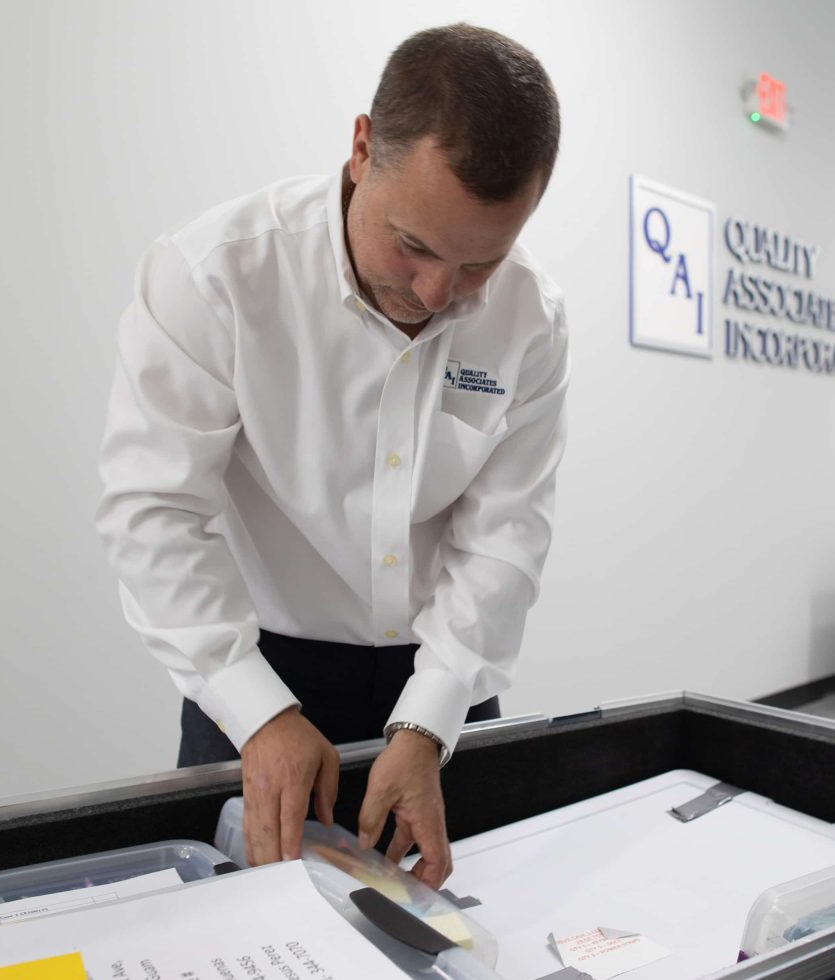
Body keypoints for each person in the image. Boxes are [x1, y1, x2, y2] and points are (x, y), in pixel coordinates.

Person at [96, 23, 567, 890]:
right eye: (415, 247)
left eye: (479, 264)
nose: (435, 295)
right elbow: (153, 512)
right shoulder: (214, 277)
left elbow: (505, 539)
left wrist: (427, 721)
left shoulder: (531, 319)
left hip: (444, 683)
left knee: (469, 936)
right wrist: (255, 707)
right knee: (247, 948)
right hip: (257, 674)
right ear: (360, 150)